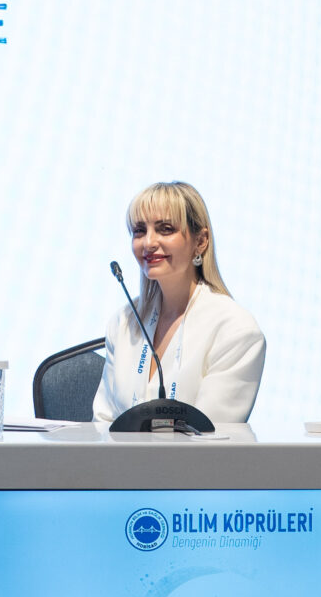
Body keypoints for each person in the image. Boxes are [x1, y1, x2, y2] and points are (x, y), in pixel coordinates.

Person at [93, 180, 265, 427]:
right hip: (117, 454)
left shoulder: (236, 329)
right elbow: (102, 424)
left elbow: (210, 434)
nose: (149, 243)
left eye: (165, 229)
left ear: (200, 241)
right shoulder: (123, 322)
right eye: (139, 230)